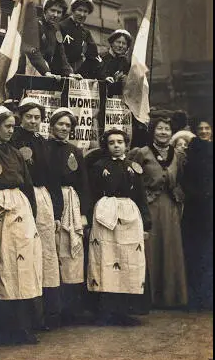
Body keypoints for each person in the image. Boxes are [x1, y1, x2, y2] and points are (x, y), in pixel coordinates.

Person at [0, 105, 43, 345]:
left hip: (20, 211)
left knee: (23, 268)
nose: (11, 131)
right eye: (7, 126)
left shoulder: (16, 154)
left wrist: (32, 214)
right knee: (0, 265)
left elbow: (27, 185)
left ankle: (22, 326)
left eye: (13, 127)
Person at [87, 129, 151, 326]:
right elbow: (92, 193)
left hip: (129, 215)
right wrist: (89, 220)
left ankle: (125, 310)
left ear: (126, 144)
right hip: (105, 215)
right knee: (106, 259)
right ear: (106, 146)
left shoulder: (134, 167)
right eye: (112, 142)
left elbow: (141, 196)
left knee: (128, 259)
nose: (116, 145)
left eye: (120, 142)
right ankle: (105, 311)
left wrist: (146, 224)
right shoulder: (98, 167)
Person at [10, 98, 61, 329]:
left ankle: (44, 315)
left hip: (43, 197)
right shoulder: (13, 139)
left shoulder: (42, 141)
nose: (33, 121)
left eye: (37, 117)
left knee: (45, 253)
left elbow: (52, 176)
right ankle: (25, 316)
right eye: (29, 116)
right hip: (22, 198)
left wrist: (57, 210)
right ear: (20, 117)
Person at [128, 116, 188, 309]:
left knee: (170, 248)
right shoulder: (142, 153)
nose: (163, 132)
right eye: (160, 129)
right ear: (153, 131)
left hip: (170, 206)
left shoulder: (178, 155)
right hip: (149, 206)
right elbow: (132, 177)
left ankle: (170, 297)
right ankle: (149, 297)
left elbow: (182, 179)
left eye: (167, 129)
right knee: (150, 249)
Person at [47, 107, 91, 324]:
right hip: (50, 201)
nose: (64, 128)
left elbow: (83, 183)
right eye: (60, 124)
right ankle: (52, 309)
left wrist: (83, 213)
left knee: (72, 254)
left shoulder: (75, 151)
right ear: (52, 125)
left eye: (68, 125)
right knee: (53, 251)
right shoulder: (44, 147)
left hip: (71, 202)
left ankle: (71, 309)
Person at [181, 119, 213, 311]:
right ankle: (198, 298)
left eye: (207, 128)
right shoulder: (191, 154)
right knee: (196, 252)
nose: (203, 131)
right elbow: (185, 180)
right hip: (196, 210)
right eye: (200, 128)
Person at [25, 0, 82, 80]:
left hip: (46, 71)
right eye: (52, 10)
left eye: (59, 12)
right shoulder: (35, 25)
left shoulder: (56, 30)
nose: (55, 15)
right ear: (45, 10)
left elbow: (61, 54)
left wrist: (70, 73)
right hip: (31, 67)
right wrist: (46, 71)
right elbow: (34, 51)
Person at [59, 0, 102, 79]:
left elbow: (94, 56)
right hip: (60, 73)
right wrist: (69, 72)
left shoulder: (85, 32)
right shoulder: (61, 26)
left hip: (77, 76)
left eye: (85, 11)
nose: (82, 14)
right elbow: (59, 54)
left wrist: (103, 76)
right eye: (79, 10)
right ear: (73, 10)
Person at [99, 29, 132, 97]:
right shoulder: (101, 57)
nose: (120, 46)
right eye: (118, 42)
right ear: (111, 43)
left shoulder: (126, 62)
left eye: (124, 43)